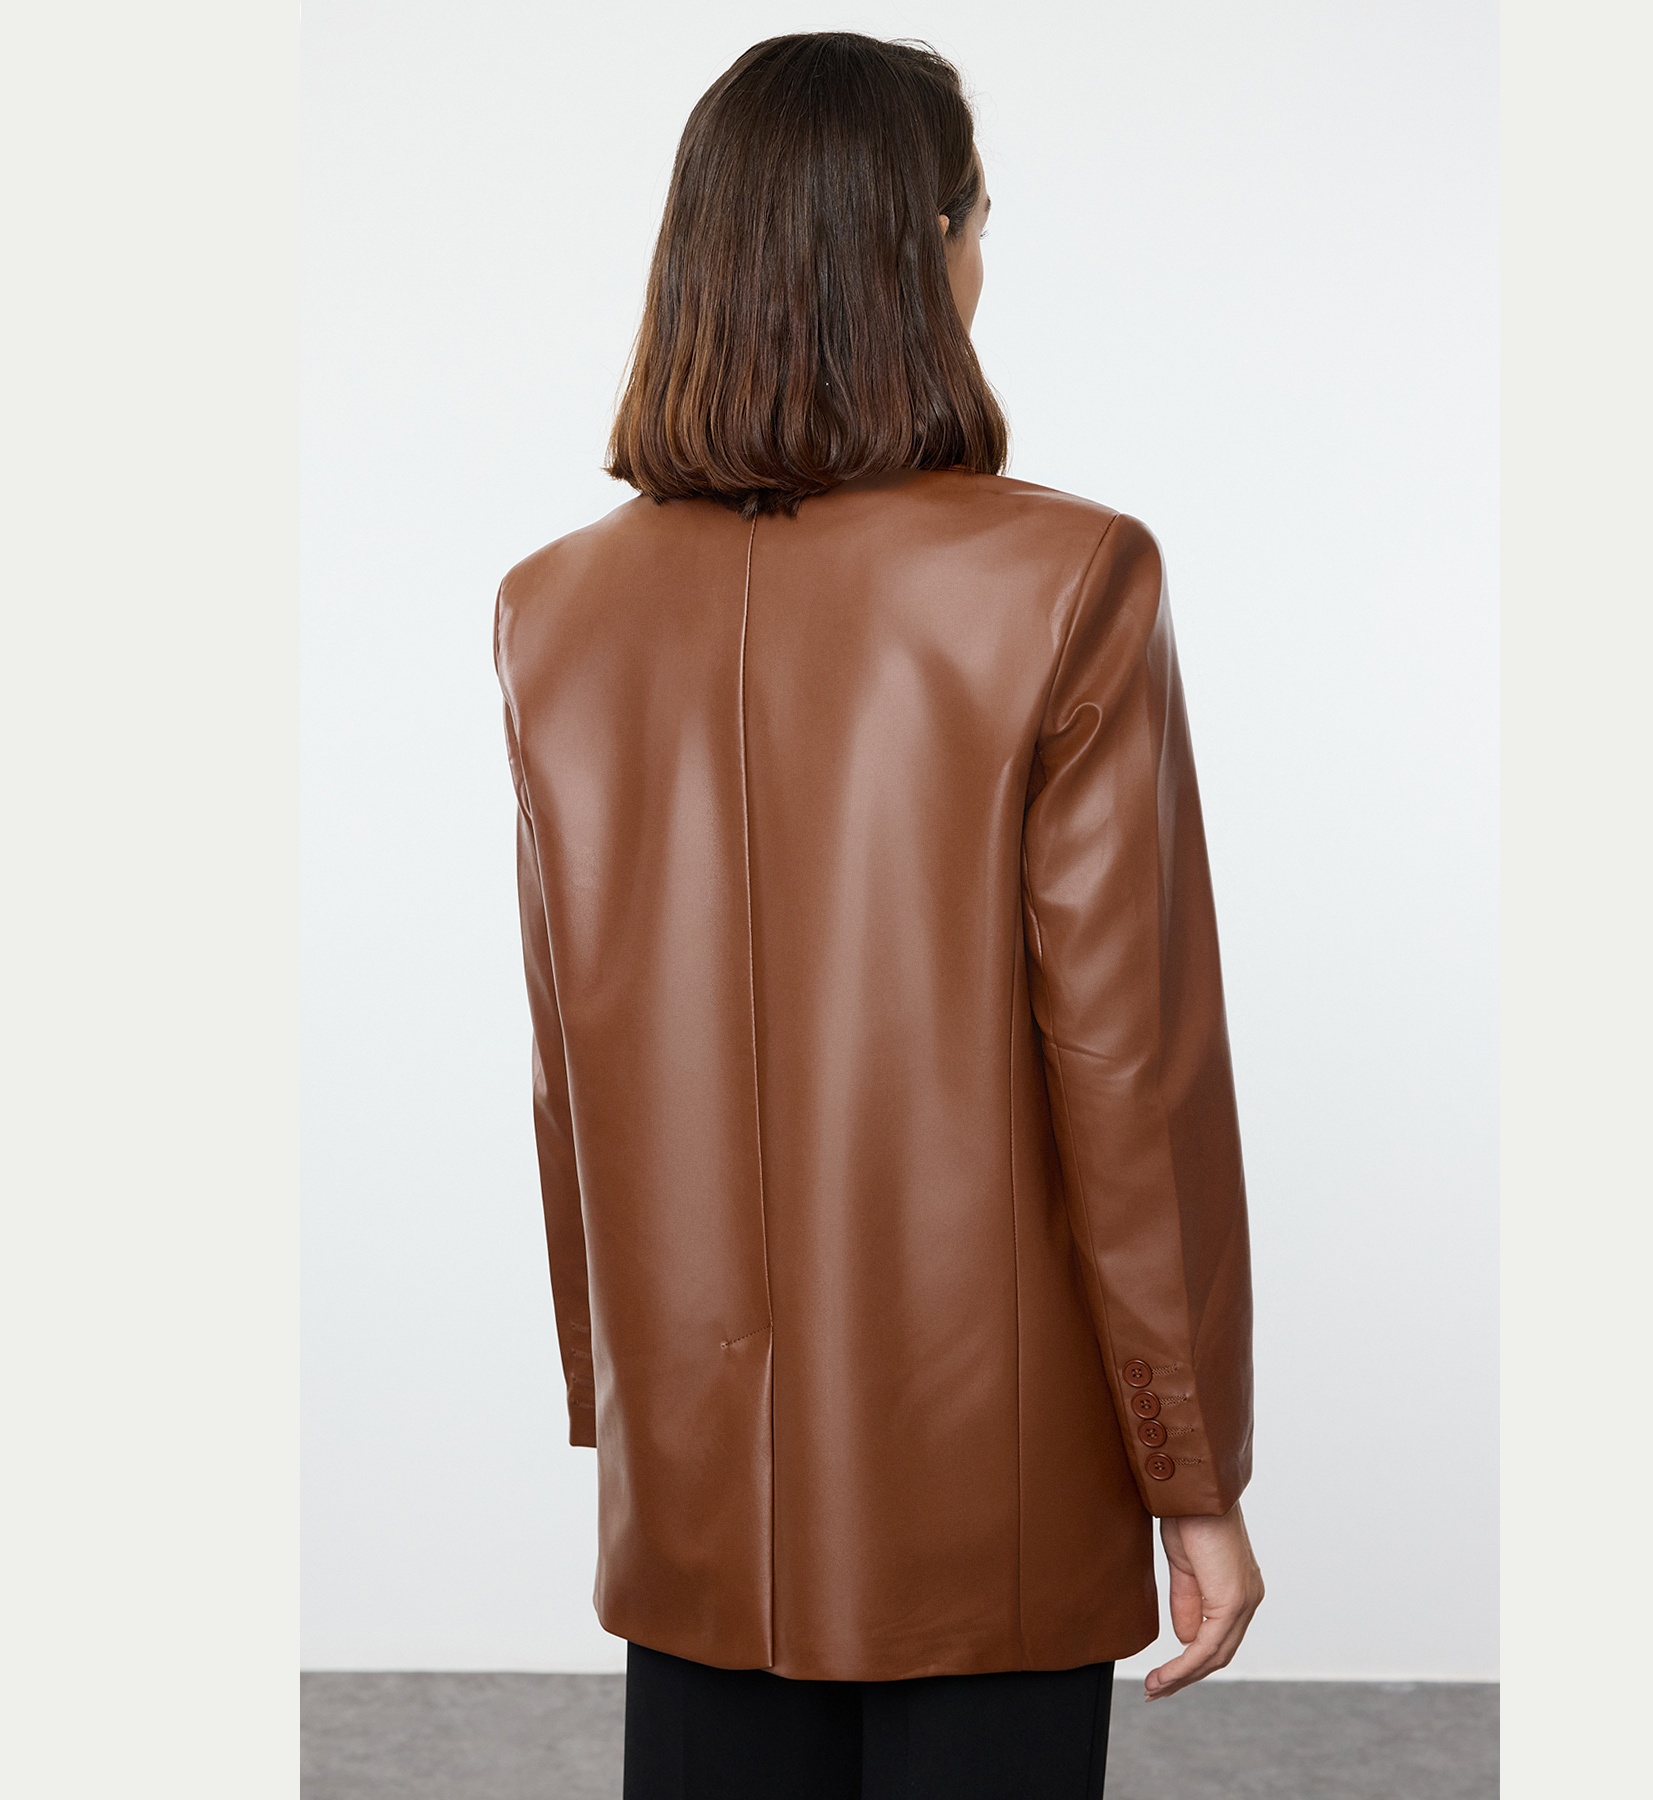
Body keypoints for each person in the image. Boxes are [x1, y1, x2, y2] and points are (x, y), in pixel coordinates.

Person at [495, 31, 1262, 1800]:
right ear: (928, 247)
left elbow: (568, 1061)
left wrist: (622, 1406)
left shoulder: (554, 611)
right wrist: (1193, 1475)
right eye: (982, 222)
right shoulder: (1069, 578)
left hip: (697, 1480)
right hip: (987, 1499)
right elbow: (1128, 1077)